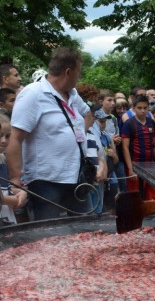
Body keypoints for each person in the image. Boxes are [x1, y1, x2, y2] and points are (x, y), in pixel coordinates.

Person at [7, 47, 94, 221]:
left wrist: (76, 137)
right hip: (47, 181)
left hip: (77, 176)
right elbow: (15, 139)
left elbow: (88, 115)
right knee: (50, 236)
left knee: (88, 227)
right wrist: (15, 179)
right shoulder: (33, 94)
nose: (80, 76)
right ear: (68, 72)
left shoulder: (72, 93)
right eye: (79, 72)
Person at [120, 94, 155, 193]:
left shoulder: (151, 122)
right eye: (139, 108)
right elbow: (125, 148)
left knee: (151, 194)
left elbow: (154, 143)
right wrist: (130, 168)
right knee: (135, 195)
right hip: (135, 165)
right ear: (134, 108)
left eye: (145, 108)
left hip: (151, 165)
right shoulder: (129, 124)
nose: (142, 110)